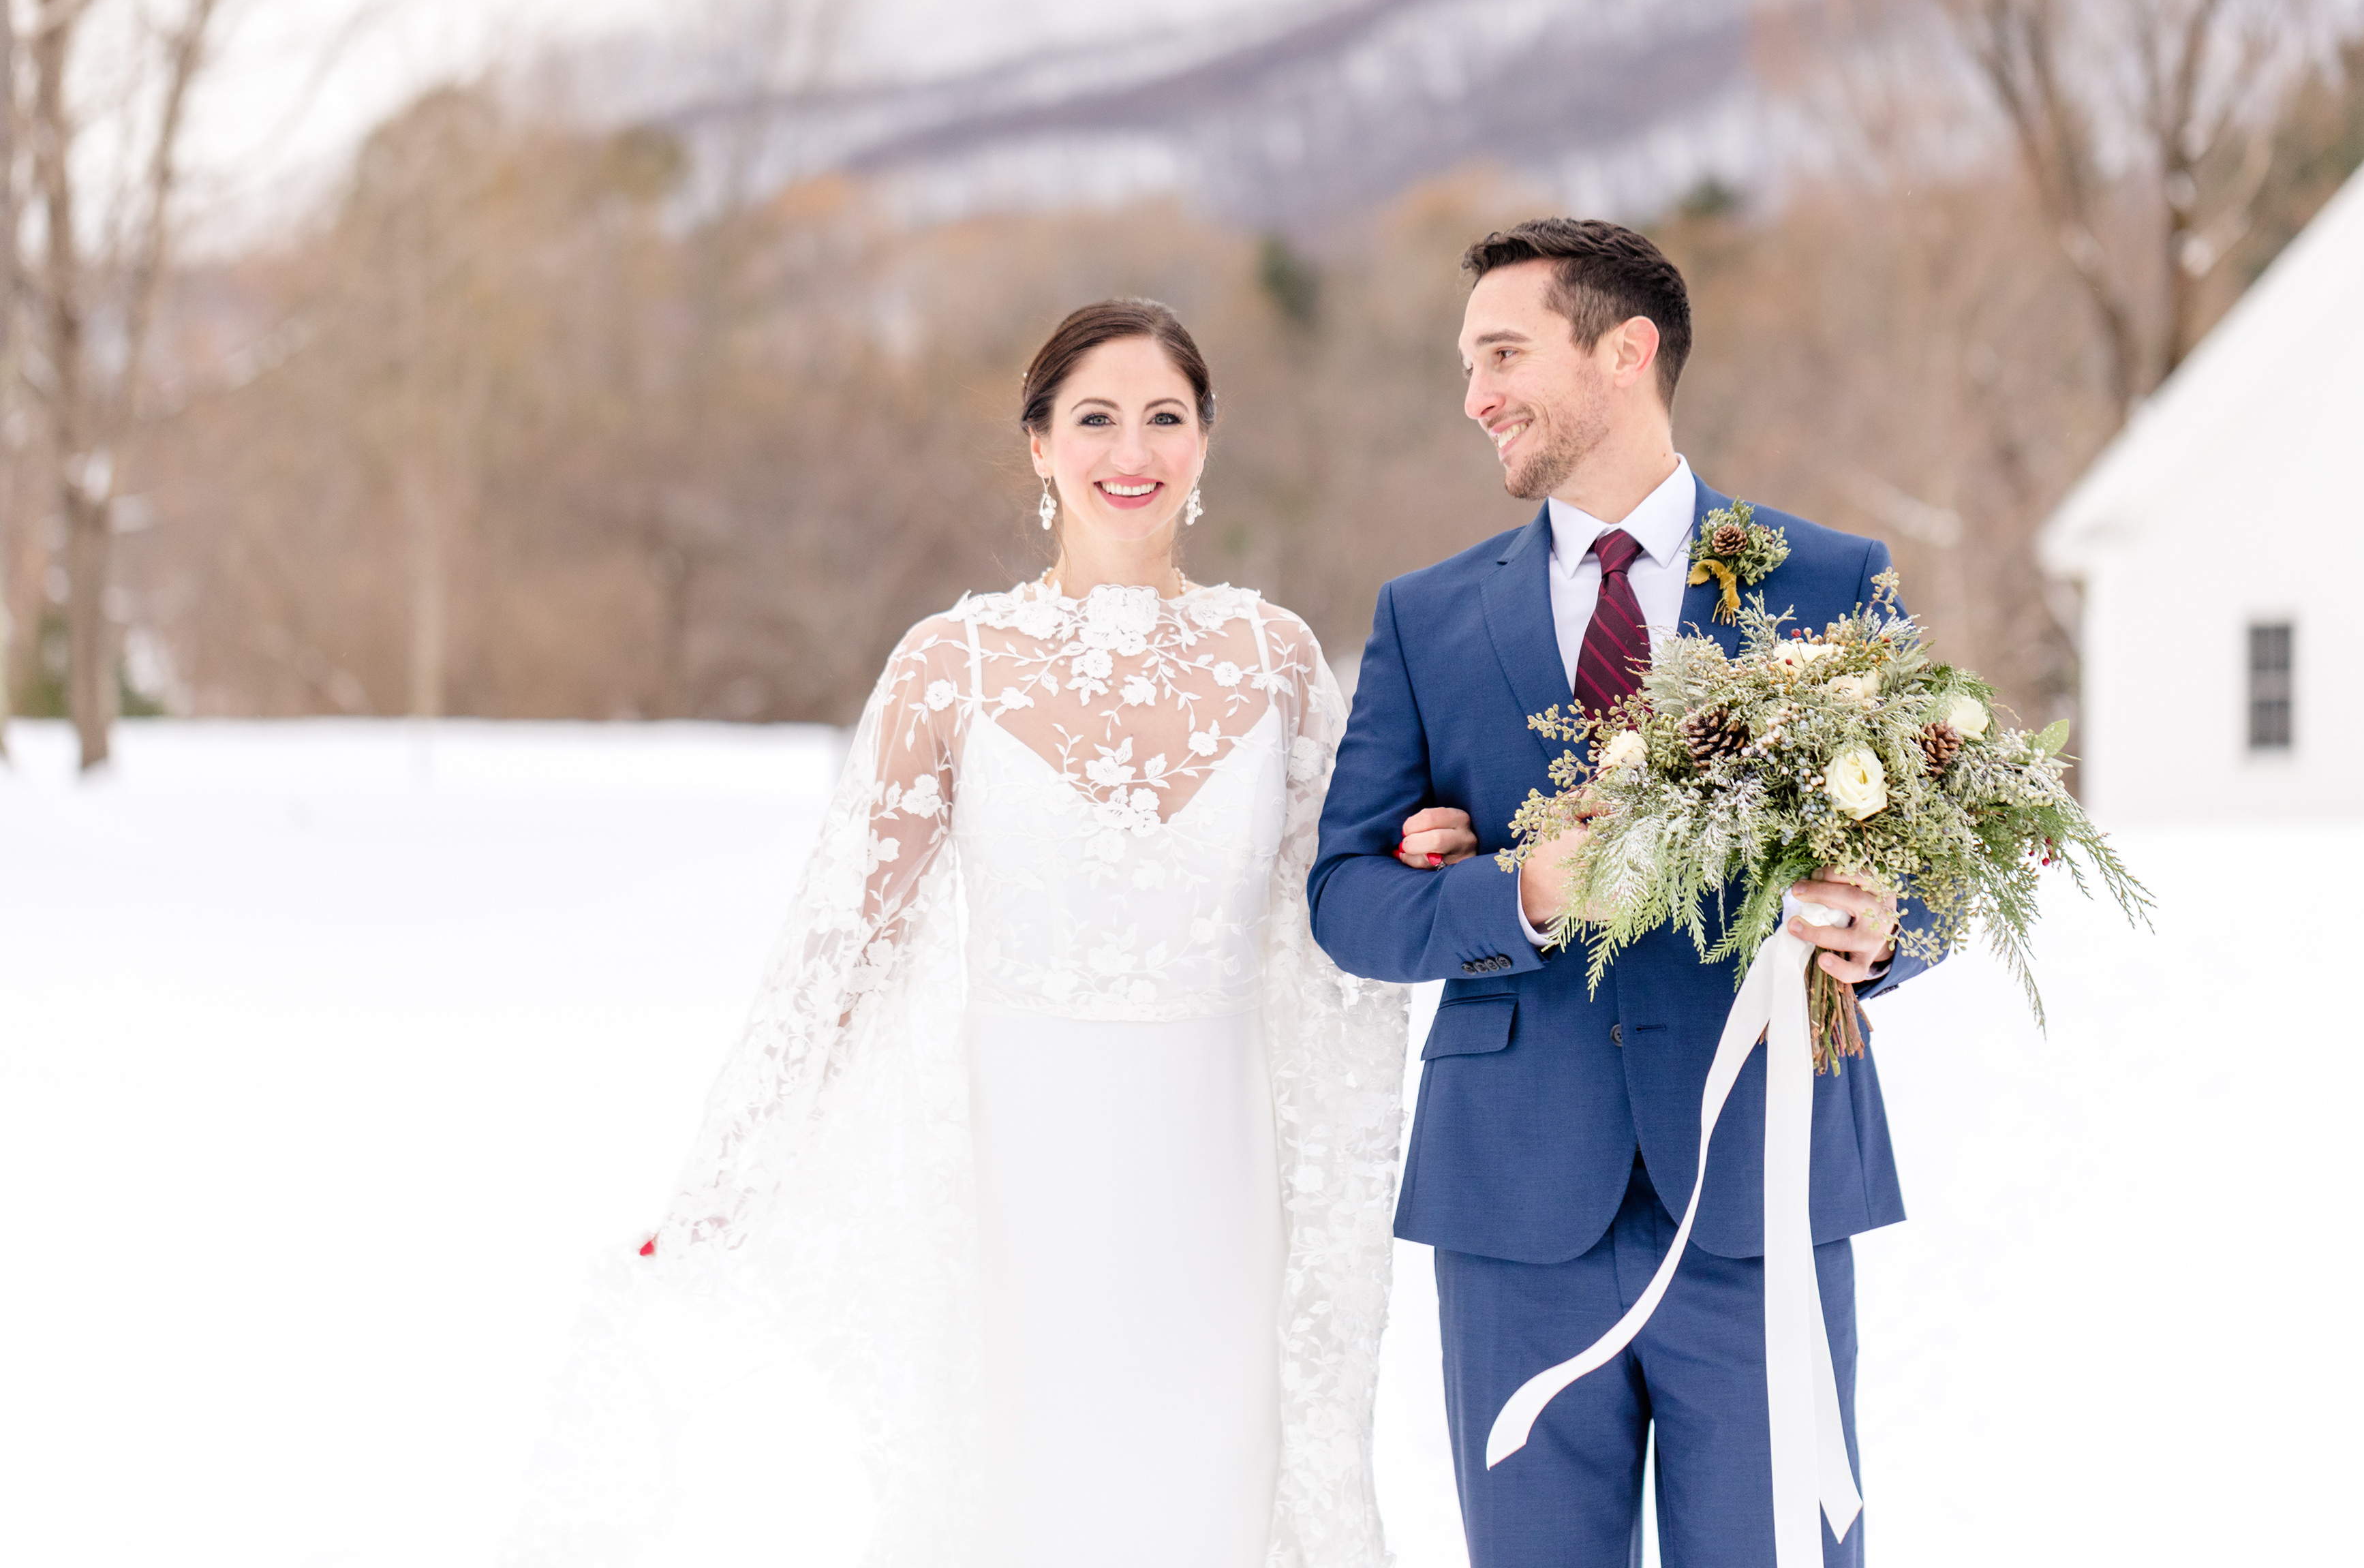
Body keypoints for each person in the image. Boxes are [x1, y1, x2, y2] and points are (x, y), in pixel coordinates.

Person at [510, 299, 1435, 1567]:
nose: (1134, 449)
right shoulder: (954, 666)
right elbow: (840, 945)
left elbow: (1339, 916)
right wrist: (727, 1176)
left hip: (1219, 1191)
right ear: (1041, 446)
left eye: (1166, 417)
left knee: (1209, 1504)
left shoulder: (1275, 663)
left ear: (1206, 444)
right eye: (1096, 418)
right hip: (1020, 1188)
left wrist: (1423, 855)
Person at [1308, 220, 1937, 1567]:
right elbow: (1347, 898)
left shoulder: (1829, 580)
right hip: (1516, 1204)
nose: (1474, 394)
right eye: (1468, 360)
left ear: (1626, 351)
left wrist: (1889, 929)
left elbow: (1939, 845)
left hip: (1763, 1185)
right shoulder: (1425, 617)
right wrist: (1518, 890)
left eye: (1503, 353)